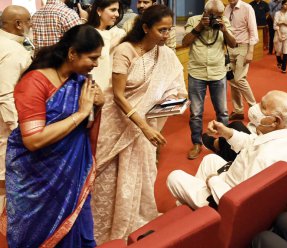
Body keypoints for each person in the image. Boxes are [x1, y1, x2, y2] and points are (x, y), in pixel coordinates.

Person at [91, 5, 186, 244]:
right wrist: (143, 126)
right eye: (161, 30)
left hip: (145, 122)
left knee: (143, 173)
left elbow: (174, 83)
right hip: (118, 122)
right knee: (111, 178)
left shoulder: (163, 53)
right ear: (145, 28)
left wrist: (172, 100)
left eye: (169, 29)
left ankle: (136, 220)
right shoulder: (125, 50)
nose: (166, 35)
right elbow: (120, 96)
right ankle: (107, 227)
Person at [4, 24, 104, 247]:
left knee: (81, 230)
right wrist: (81, 113)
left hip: (73, 174)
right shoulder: (34, 83)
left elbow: (86, 124)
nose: (96, 64)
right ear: (72, 53)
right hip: (38, 177)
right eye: (93, 57)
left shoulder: (79, 80)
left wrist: (98, 105)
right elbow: (33, 140)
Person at [167, 91, 287, 209]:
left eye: (263, 107)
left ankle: (205, 210)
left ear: (275, 121)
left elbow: (241, 201)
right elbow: (253, 143)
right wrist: (227, 132)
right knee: (210, 159)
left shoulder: (264, 158)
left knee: (174, 176)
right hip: (234, 178)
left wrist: (213, 181)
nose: (255, 108)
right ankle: (196, 206)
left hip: (226, 195)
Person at [202, 79, 287, 161]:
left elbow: (265, 135)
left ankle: (218, 146)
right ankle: (219, 142)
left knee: (238, 126)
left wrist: (262, 127)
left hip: (269, 151)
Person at [183, 0, 236, 160]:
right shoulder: (193, 21)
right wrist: (199, 27)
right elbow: (185, 42)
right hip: (196, 72)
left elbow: (233, 44)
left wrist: (224, 30)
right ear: (205, 13)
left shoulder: (223, 21)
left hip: (218, 72)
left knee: (223, 112)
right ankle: (197, 143)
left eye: (218, 16)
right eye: (212, 16)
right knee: (196, 113)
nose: (215, 19)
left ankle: (224, 143)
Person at [0, 5, 32, 213]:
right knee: (3, 177)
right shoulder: (13, 51)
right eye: (29, 21)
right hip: (5, 122)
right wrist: (16, 128)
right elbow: (5, 94)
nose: (31, 25)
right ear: (18, 25)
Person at [224, 0, 258, 121]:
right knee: (232, 81)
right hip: (229, 48)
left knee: (239, 79)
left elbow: (253, 31)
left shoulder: (247, 8)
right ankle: (238, 111)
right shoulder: (227, 9)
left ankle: (255, 108)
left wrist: (251, 51)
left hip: (243, 46)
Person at [87, 0, 126, 90]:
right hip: (93, 88)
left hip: (111, 90)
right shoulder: (88, 33)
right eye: (113, 10)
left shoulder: (118, 33)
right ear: (99, 11)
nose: (116, 14)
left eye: (117, 10)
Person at [273, 0, 287, 73]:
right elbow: (275, 25)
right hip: (279, 33)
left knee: (286, 50)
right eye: (285, 4)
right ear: (282, 5)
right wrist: (279, 35)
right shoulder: (277, 14)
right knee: (278, 51)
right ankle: (279, 61)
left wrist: (283, 22)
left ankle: (284, 68)